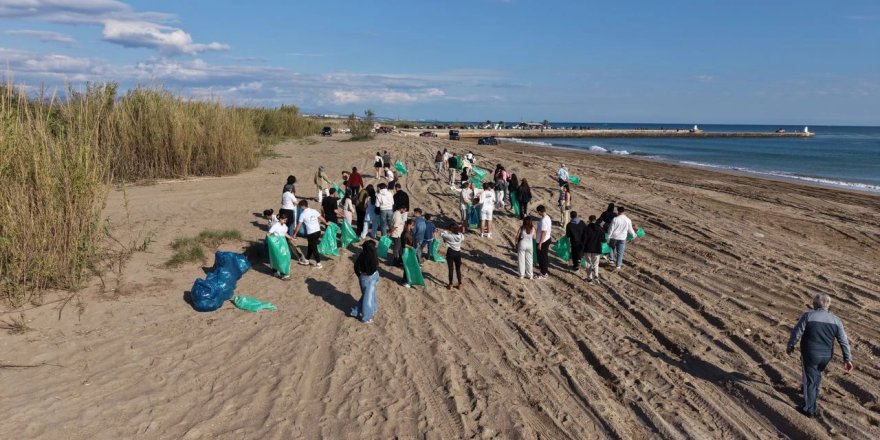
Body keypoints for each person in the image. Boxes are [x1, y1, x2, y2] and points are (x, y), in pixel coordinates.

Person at [786, 293, 854, 418]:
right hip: (826, 356)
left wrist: (791, 345)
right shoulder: (836, 320)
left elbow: (797, 332)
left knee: (810, 380)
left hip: (810, 354)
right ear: (828, 305)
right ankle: (811, 395)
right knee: (816, 374)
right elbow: (843, 341)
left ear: (815, 304)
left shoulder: (808, 316)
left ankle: (808, 409)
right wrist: (847, 359)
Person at [351, 240, 380, 323]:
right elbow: (372, 270)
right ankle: (366, 318)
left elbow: (356, 266)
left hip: (364, 278)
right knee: (368, 298)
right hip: (370, 279)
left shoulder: (362, 254)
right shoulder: (373, 256)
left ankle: (356, 311)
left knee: (367, 296)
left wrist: (360, 276)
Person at [292, 200, 328, 268]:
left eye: (300, 207)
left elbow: (299, 225)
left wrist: (295, 234)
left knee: (314, 248)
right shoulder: (314, 210)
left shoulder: (302, 214)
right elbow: (321, 218)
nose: (300, 208)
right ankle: (307, 260)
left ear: (303, 206)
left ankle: (319, 263)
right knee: (310, 246)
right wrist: (326, 223)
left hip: (311, 233)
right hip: (318, 231)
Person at [607, 206, 637, 271]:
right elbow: (630, 229)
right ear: (624, 211)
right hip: (622, 238)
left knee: (611, 247)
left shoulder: (615, 219)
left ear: (618, 211)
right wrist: (634, 235)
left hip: (614, 237)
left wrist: (608, 237)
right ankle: (618, 266)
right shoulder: (628, 220)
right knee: (620, 252)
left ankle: (611, 259)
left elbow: (611, 229)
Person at [440, 225, 464, 289]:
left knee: (450, 269)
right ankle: (460, 284)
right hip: (458, 253)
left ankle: (450, 284)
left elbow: (442, 234)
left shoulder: (450, 236)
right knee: (458, 269)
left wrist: (446, 230)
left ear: (452, 230)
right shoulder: (461, 236)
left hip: (450, 252)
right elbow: (461, 235)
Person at [583, 215, 605, 282]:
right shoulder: (600, 229)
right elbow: (603, 240)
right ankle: (596, 276)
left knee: (588, 263)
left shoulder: (586, 228)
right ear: (595, 220)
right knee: (596, 263)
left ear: (589, 220)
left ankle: (589, 278)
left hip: (587, 248)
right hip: (597, 248)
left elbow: (583, 239)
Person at [535, 205, 552, 279]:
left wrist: (540, 243)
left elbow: (544, 232)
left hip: (543, 241)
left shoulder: (544, 220)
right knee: (544, 257)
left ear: (539, 211)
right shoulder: (547, 217)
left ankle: (543, 273)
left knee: (542, 257)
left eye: (538, 212)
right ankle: (543, 271)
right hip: (546, 239)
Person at [400, 219, 416, 288]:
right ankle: (404, 282)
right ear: (409, 225)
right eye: (413, 225)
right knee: (406, 267)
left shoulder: (411, 231)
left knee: (409, 266)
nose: (413, 227)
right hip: (406, 251)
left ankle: (407, 280)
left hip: (410, 251)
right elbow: (404, 244)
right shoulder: (404, 233)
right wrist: (411, 247)